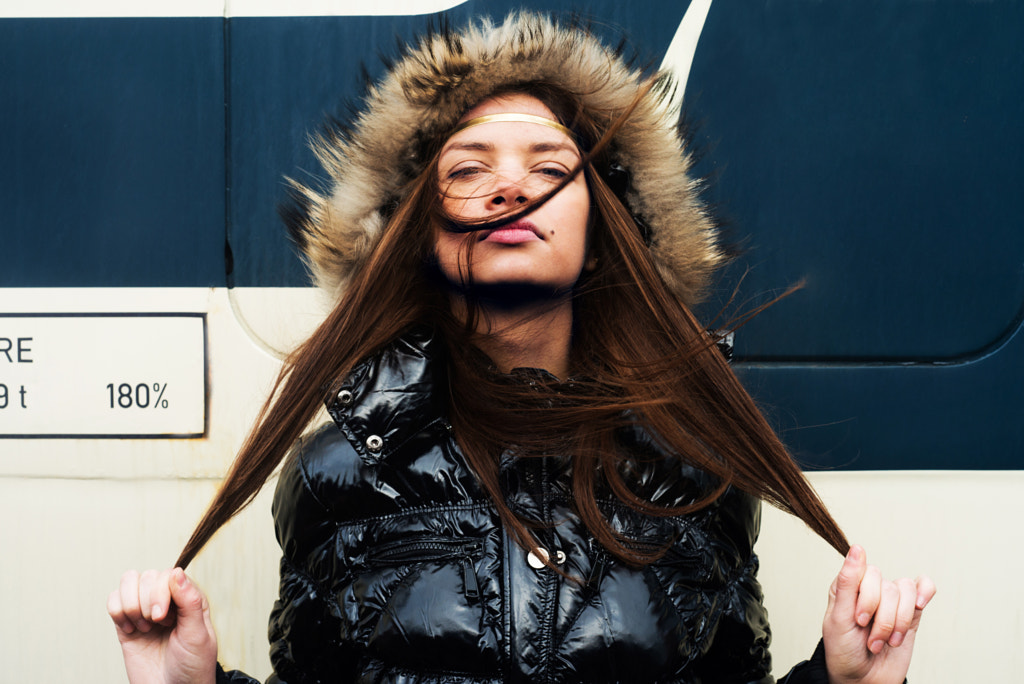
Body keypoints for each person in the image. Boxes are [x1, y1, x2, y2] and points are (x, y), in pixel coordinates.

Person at [108, 12, 934, 684]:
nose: (509, 188)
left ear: (603, 230)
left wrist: (844, 682)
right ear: (421, 234)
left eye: (549, 168)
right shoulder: (344, 469)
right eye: (468, 171)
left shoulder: (695, 466)